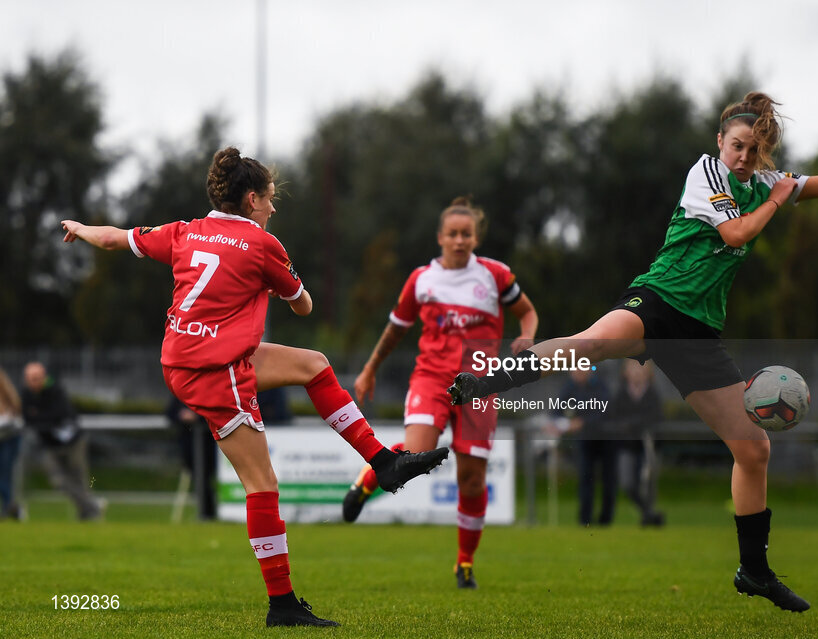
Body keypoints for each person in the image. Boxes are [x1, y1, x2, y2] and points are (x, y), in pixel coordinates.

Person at [450, 92, 818, 612]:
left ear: (764, 150)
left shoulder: (766, 183)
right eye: (737, 146)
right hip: (658, 301)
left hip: (698, 332)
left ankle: (754, 571)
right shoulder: (706, 173)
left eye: (754, 149)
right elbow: (736, 232)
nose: (744, 157)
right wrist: (779, 196)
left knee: (753, 450)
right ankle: (484, 383)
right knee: (589, 344)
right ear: (721, 143)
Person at [61, 146, 449, 627]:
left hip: (192, 357)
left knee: (313, 364)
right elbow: (303, 307)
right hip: (213, 370)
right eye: (269, 198)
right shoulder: (264, 245)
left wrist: (79, 229)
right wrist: (293, 288)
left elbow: (117, 239)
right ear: (250, 200)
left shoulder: (185, 232)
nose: (273, 207)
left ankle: (382, 461)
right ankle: (282, 605)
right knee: (262, 485)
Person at [342, 196, 538, 590]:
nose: (460, 240)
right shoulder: (421, 280)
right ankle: (367, 482)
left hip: (479, 386)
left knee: (470, 478)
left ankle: (464, 563)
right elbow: (396, 328)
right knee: (412, 456)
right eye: (453, 234)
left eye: (467, 234)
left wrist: (527, 337)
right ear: (440, 238)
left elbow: (527, 312)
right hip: (431, 379)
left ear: (475, 238)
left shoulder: (496, 276)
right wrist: (369, 368)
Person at [20, 362, 104, 521]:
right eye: (31, 379)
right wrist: (42, 420)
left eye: (37, 378)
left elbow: (57, 415)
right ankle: (92, 505)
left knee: (80, 479)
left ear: (44, 377)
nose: (34, 382)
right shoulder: (26, 394)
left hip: (73, 442)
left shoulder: (56, 390)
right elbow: (29, 419)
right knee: (59, 481)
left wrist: (39, 417)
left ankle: (88, 513)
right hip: (50, 446)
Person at [555, 367, 617, 526]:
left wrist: (582, 422)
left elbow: (604, 411)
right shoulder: (570, 387)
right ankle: (585, 520)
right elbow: (556, 410)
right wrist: (558, 424)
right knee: (585, 478)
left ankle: (605, 520)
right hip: (585, 440)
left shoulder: (600, 386)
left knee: (608, 480)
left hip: (605, 440)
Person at [610, 359, 665, 527]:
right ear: (625, 372)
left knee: (647, 482)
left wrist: (632, 424)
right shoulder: (620, 393)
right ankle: (649, 513)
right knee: (627, 482)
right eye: (632, 368)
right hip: (627, 446)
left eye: (641, 367)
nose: (636, 372)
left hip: (648, 446)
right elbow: (615, 418)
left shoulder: (653, 393)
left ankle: (648, 516)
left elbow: (655, 419)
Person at [166, 394, 218, 520]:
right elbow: (169, 413)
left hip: (208, 444)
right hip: (188, 445)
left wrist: (197, 417)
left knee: (206, 477)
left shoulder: (207, 392)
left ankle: (209, 512)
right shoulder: (180, 392)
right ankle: (206, 512)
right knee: (199, 477)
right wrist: (181, 415)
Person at [0, 367, 24, 520]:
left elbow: (15, 417)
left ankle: (10, 508)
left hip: (9, 439)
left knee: (4, 475)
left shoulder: (7, 395)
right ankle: (10, 507)